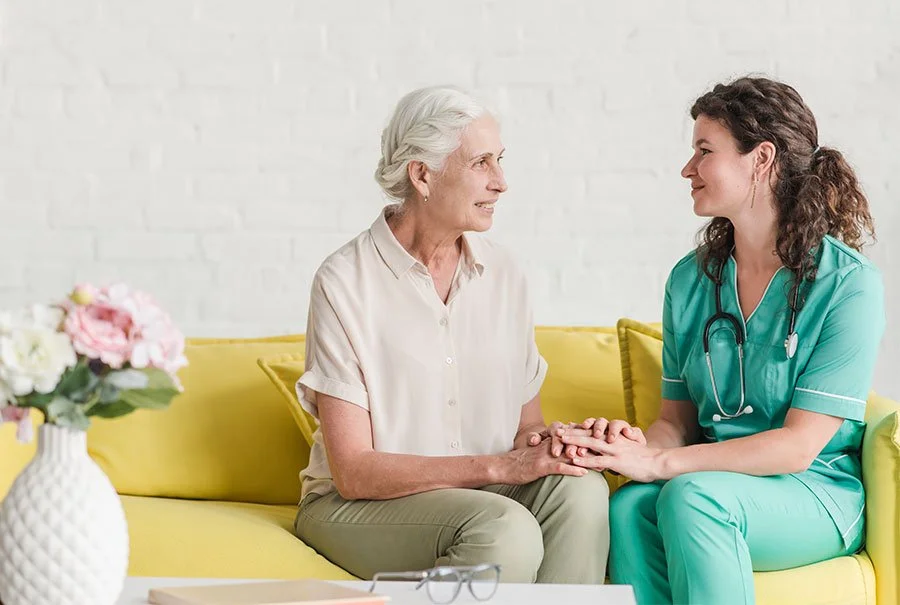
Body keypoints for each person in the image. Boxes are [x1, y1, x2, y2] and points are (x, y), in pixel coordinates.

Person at [557, 76, 885, 604]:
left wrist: (662, 465)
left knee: (691, 497)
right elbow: (675, 424)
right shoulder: (690, 281)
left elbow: (799, 447)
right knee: (629, 506)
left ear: (761, 159)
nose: (687, 169)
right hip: (712, 481)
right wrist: (631, 448)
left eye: (704, 151)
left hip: (815, 492)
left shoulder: (848, 285)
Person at [293, 86, 609, 584]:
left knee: (582, 490)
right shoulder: (344, 282)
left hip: (481, 498)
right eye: (481, 163)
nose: (501, 182)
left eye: (499, 160)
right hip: (358, 505)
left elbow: (524, 431)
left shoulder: (505, 275)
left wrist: (559, 446)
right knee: (504, 528)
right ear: (422, 174)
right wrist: (499, 469)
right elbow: (354, 472)